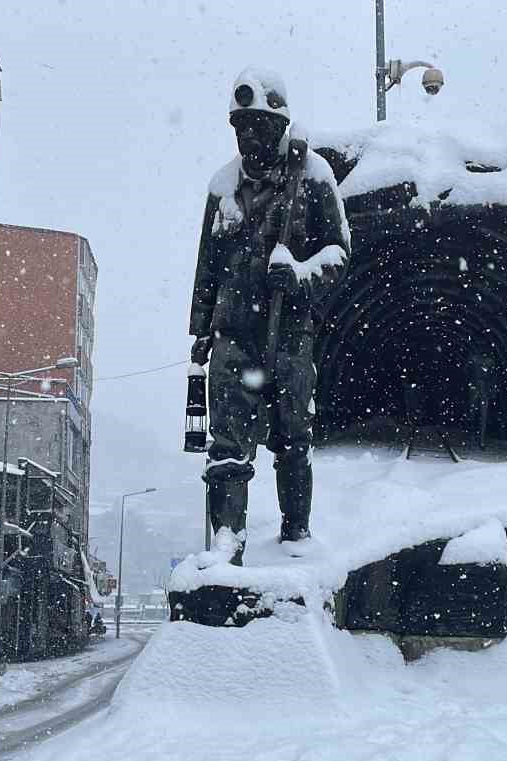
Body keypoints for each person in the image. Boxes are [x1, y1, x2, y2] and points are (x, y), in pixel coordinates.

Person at [188, 67, 351, 564]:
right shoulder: (222, 186)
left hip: (292, 334)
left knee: (292, 438)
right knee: (227, 446)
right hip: (234, 334)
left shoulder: (315, 177)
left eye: (255, 125)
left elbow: (341, 253)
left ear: (277, 126)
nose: (245, 136)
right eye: (239, 126)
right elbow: (207, 266)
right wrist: (199, 331)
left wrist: (301, 273)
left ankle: (295, 534)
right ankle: (226, 542)